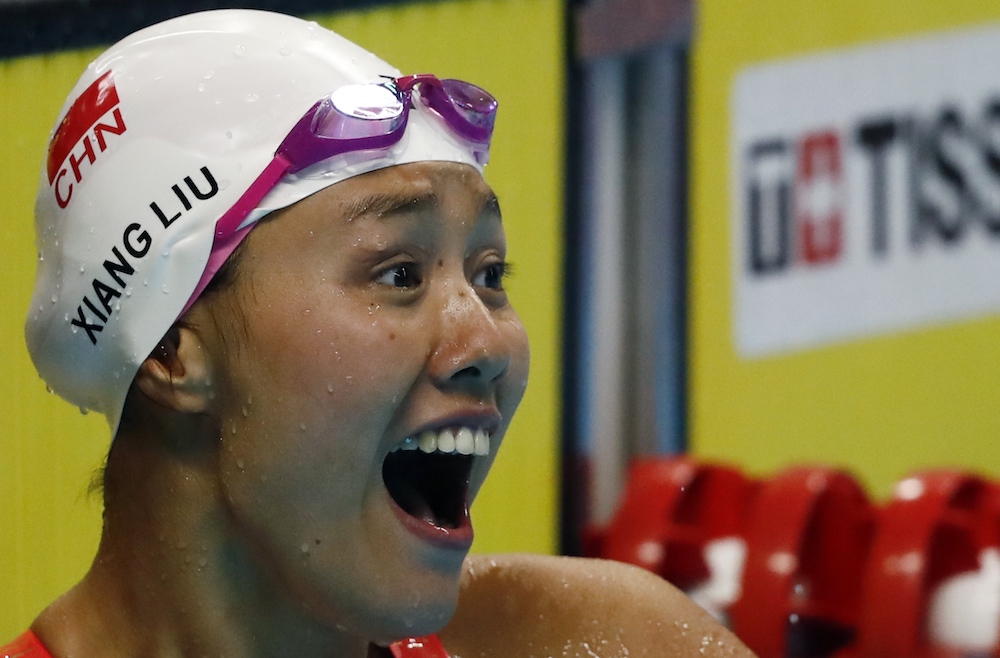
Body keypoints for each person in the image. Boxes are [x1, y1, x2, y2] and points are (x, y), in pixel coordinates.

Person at [4, 10, 755, 658]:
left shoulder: (598, 639)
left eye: (490, 275)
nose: (487, 345)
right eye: (398, 276)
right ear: (171, 348)